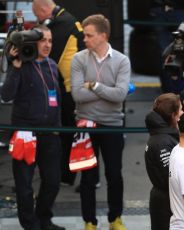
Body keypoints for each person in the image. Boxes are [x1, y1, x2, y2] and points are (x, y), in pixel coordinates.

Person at [1, 25, 65, 230]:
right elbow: (6, 95)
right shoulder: (21, 64)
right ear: (32, 42)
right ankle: (30, 225)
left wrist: (58, 128)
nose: (47, 45)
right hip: (25, 133)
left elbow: (58, 100)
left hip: (50, 133)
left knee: (53, 181)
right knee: (24, 186)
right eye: (43, 40)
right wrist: (15, 67)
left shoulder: (53, 65)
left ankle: (44, 219)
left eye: (50, 41)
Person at [70, 14, 130, 230]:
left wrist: (94, 86)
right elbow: (77, 95)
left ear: (103, 36)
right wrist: (108, 91)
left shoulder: (122, 60)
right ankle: (89, 221)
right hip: (86, 125)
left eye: (89, 35)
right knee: (87, 177)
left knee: (114, 174)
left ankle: (115, 218)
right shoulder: (79, 59)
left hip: (113, 125)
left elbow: (121, 95)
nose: (84, 39)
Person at [32, 0, 86, 187]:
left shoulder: (63, 24)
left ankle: (68, 176)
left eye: (37, 15)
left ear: (44, 10)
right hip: (70, 87)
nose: (37, 20)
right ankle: (68, 175)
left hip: (71, 90)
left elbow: (47, 55)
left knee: (69, 134)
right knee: (69, 134)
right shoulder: (64, 20)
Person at [145, 93, 183, 230]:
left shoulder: (162, 136)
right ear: (173, 115)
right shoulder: (163, 141)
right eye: (181, 110)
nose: (182, 113)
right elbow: (170, 177)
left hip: (163, 200)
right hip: (167, 203)